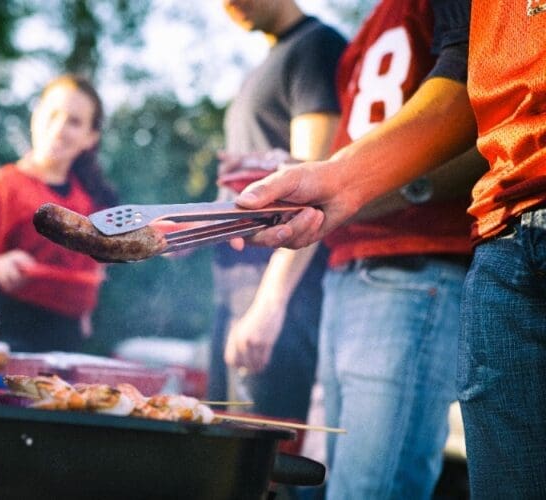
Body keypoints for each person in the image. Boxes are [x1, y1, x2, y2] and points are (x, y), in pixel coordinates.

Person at [235, 0, 546, 497]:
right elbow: (474, 89)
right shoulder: (367, 30)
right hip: (355, 262)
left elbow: (478, 113)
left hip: (415, 267)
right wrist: (336, 184)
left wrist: (394, 191)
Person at [208, 0, 344, 455]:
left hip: (277, 292)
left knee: (257, 465)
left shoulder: (315, 47)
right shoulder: (266, 63)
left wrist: (269, 305)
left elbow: (315, 186)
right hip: (234, 290)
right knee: (216, 453)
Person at [0, 74, 117, 353]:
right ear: (36, 116)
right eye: (52, 114)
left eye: (75, 122)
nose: (59, 128)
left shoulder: (92, 204)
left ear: (90, 138)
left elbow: (92, 278)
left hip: (66, 347)